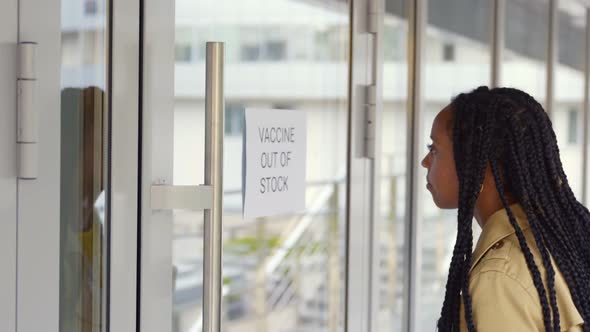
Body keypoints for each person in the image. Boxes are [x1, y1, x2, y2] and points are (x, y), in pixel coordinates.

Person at [421, 86, 589, 331]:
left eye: (433, 149)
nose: (424, 162)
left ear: (476, 169)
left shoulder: (499, 277)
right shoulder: (562, 237)